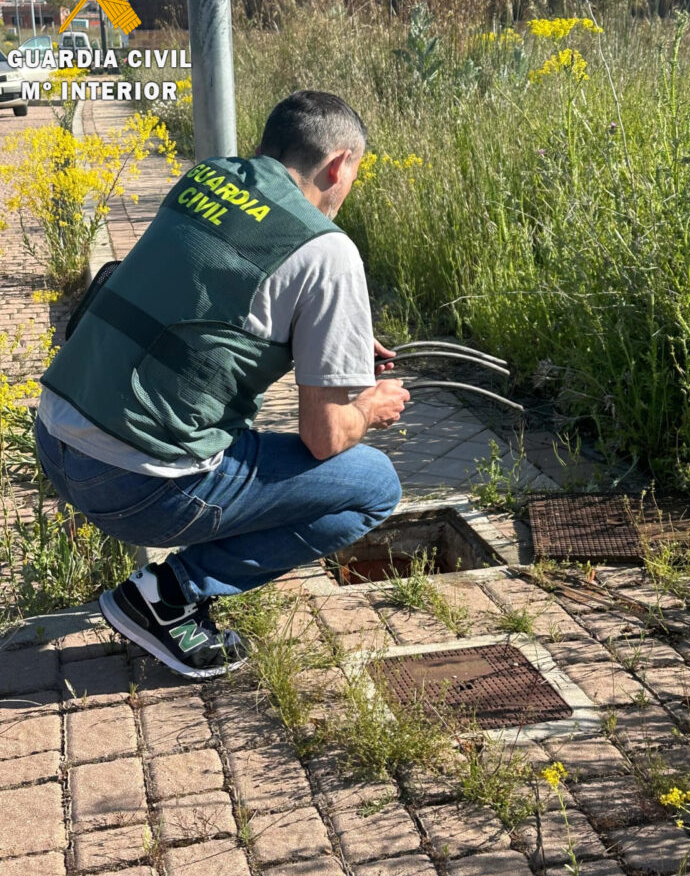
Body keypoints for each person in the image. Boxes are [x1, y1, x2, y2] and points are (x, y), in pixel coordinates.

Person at [33, 90, 410, 680]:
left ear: (266, 143)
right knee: (373, 485)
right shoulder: (328, 249)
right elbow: (323, 437)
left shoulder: (206, 178)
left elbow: (210, 292)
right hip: (134, 487)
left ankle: (165, 589)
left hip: (55, 438)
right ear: (339, 165)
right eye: (352, 174)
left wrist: (334, 334)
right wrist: (368, 407)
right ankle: (168, 596)